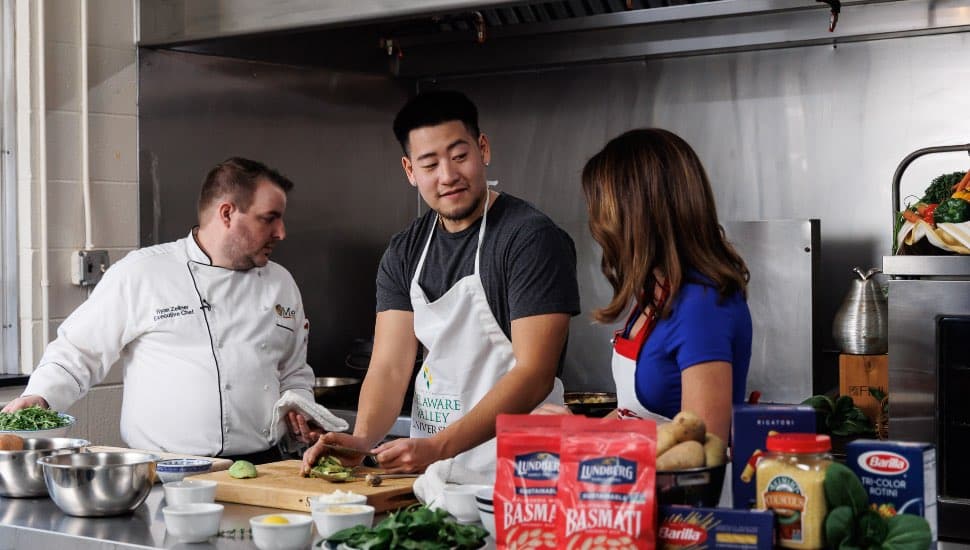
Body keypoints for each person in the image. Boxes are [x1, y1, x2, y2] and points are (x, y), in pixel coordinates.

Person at [300, 90, 580, 475]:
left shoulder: (530, 239)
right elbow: (389, 366)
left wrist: (438, 447)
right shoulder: (405, 251)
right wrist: (363, 439)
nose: (448, 176)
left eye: (459, 156)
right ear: (410, 171)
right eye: (429, 164)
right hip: (429, 473)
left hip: (521, 472)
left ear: (483, 149)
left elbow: (534, 374)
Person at [2, 157, 317, 463]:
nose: (281, 232)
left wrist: (299, 404)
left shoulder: (281, 283)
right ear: (227, 214)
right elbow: (79, 352)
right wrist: (41, 396)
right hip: (166, 469)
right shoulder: (143, 273)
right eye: (269, 218)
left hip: (262, 467)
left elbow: (293, 371)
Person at [536, 128, 751, 442]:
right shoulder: (658, 293)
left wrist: (588, 440)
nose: (597, 224)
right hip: (639, 486)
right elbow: (632, 414)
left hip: (680, 491)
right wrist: (586, 432)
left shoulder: (702, 306)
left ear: (637, 213)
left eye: (602, 209)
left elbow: (701, 447)